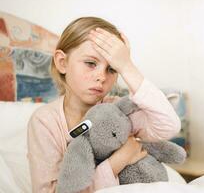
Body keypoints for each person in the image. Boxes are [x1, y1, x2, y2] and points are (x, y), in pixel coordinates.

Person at [27, 16, 181, 193]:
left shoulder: (118, 111)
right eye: (90, 63)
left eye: (112, 69)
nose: (102, 76)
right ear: (63, 62)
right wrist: (118, 161)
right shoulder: (45, 121)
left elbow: (169, 126)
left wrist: (126, 66)